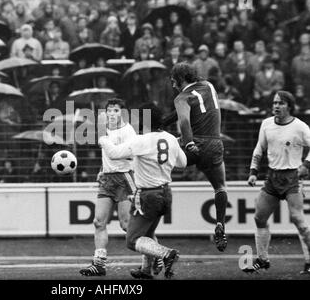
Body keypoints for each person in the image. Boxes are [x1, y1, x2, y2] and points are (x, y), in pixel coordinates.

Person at [99, 102, 187, 279]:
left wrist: (102, 137)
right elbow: (182, 163)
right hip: (165, 193)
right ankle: (146, 270)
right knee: (147, 233)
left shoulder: (141, 140)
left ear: (145, 121)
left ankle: (166, 254)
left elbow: (114, 153)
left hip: (148, 195)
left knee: (132, 241)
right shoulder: (170, 138)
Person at [163, 62, 228, 252]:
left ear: (181, 79)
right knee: (220, 187)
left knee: (157, 164)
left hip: (194, 144)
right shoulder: (209, 86)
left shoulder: (181, 97)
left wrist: (189, 142)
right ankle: (220, 224)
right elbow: (185, 112)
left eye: (174, 81)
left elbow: (184, 119)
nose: (174, 86)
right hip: (215, 144)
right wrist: (164, 121)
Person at [244, 91, 310, 275]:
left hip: (292, 178)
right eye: (274, 103)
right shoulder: (266, 124)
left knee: (298, 220)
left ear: (289, 106)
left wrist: (306, 165)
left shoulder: (300, 127)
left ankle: (309, 261)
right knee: (259, 218)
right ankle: (263, 259)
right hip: (273, 177)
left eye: (280, 103)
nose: (276, 106)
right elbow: (259, 148)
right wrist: (253, 172)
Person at [79, 98, 136, 276]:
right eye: (109, 110)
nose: (112, 114)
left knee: (127, 225)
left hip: (125, 178)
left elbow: (130, 156)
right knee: (98, 222)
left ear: (123, 113)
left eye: (116, 111)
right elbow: (107, 156)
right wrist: (102, 169)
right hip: (107, 179)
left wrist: (111, 151)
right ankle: (99, 263)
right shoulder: (105, 130)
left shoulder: (128, 131)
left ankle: (154, 254)